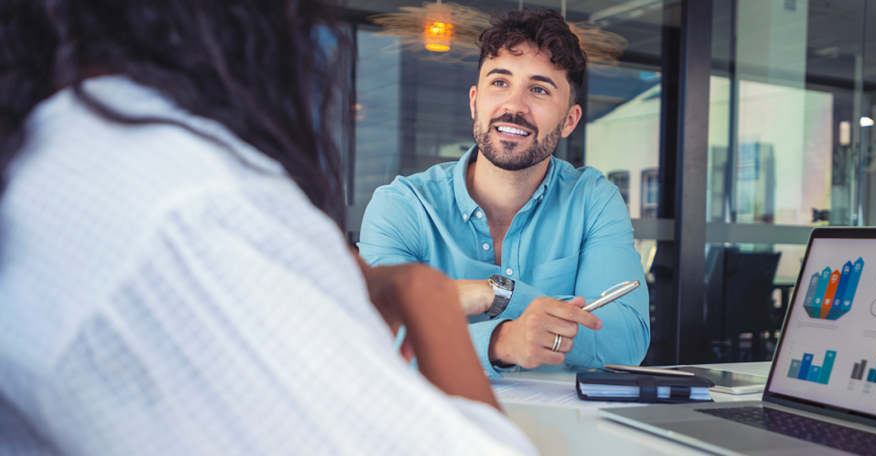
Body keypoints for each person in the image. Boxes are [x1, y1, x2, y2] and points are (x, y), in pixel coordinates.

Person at [0, 1, 535, 454]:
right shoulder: (192, 204)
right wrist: (430, 295)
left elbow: (621, 330)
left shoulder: (62, 148)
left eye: (539, 89)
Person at [358, 8, 650, 378]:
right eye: (500, 83)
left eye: (539, 89)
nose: (514, 106)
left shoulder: (593, 200)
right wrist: (501, 341)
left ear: (570, 121)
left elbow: (624, 341)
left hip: (564, 433)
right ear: (474, 102)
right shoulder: (402, 207)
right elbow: (374, 338)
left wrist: (502, 295)